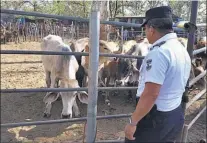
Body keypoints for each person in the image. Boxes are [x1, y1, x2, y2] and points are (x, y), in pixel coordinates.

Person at [124, 6, 191, 143]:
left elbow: (151, 94)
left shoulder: (158, 53)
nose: (145, 32)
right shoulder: (181, 49)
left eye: (145, 28)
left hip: (155, 120)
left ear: (151, 29)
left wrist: (133, 122)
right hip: (174, 113)